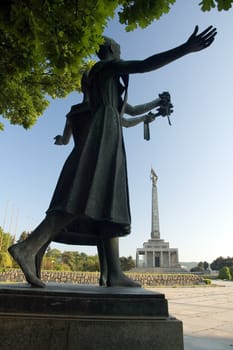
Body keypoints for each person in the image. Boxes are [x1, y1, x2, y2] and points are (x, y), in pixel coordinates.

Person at [9, 25, 217, 288]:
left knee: (110, 201)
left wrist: (156, 106)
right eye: (118, 49)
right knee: (85, 196)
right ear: (109, 51)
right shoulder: (105, 68)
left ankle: (114, 272)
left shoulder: (105, 85)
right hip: (103, 136)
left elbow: (128, 111)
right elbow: (144, 65)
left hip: (108, 135)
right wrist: (186, 48)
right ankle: (28, 247)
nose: (120, 53)